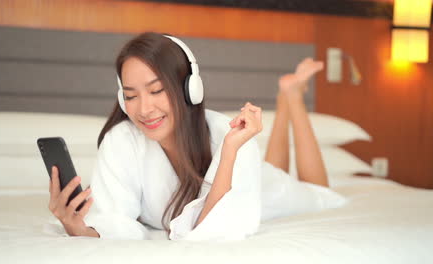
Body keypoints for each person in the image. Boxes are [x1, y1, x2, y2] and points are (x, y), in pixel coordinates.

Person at [47, 32, 345, 241]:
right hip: (249, 170)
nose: (145, 109)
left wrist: (230, 151)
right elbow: (115, 220)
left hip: (261, 190)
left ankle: (292, 99)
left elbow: (210, 230)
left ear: (190, 88)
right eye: (131, 95)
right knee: (276, 167)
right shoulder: (122, 140)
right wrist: (78, 228)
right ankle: (286, 97)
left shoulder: (224, 135)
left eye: (156, 90)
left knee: (320, 194)